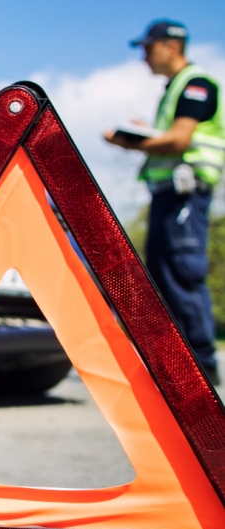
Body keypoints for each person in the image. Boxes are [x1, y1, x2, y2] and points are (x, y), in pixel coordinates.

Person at [105, 19, 225, 385]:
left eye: (147, 48)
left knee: (182, 273)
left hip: (184, 195)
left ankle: (202, 366)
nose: (143, 57)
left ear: (171, 46)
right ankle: (175, 363)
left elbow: (179, 140)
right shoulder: (175, 89)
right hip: (168, 195)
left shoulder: (197, 84)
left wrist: (133, 142)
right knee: (161, 275)